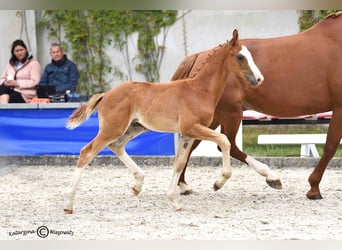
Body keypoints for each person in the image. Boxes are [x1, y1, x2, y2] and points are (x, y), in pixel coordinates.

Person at [0, 39, 41, 103]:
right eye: (17, 51)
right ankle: (3, 109)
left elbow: (35, 81)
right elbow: (2, 79)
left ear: (26, 50)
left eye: (21, 50)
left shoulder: (34, 63)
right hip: (10, 89)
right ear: (13, 53)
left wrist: (17, 83)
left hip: (25, 94)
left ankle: (3, 110)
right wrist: (6, 82)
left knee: (12, 97)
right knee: (2, 88)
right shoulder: (11, 64)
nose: (19, 52)